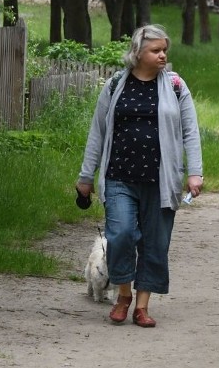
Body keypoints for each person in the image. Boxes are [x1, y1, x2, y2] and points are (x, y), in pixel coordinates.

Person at [76, 25, 203, 328]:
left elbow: (190, 132)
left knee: (154, 243)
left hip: (161, 180)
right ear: (137, 53)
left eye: (164, 50)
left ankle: (142, 306)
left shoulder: (175, 85)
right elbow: (98, 132)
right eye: (156, 50)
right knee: (119, 235)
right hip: (119, 175)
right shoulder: (115, 84)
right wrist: (85, 176)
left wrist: (195, 172)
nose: (163, 55)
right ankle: (123, 295)